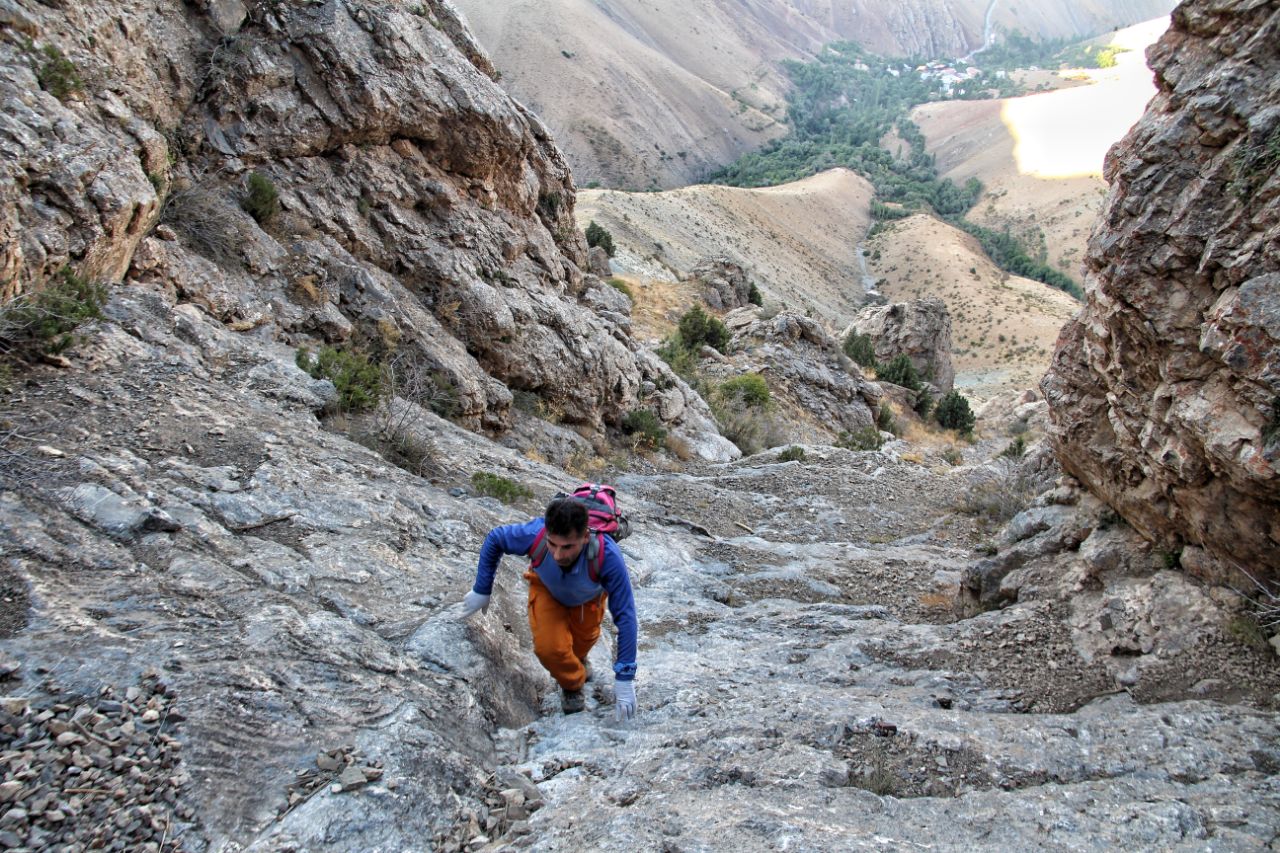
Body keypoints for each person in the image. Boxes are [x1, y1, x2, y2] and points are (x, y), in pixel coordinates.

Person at [460, 497, 638, 719]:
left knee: (582, 643)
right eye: (552, 544)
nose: (557, 555)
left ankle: (579, 660)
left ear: (585, 537)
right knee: (549, 649)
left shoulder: (607, 556)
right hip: (546, 588)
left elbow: (626, 615)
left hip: (589, 599)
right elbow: (496, 538)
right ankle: (572, 686)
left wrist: (625, 677)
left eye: (567, 547)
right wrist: (482, 589)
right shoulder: (535, 533)